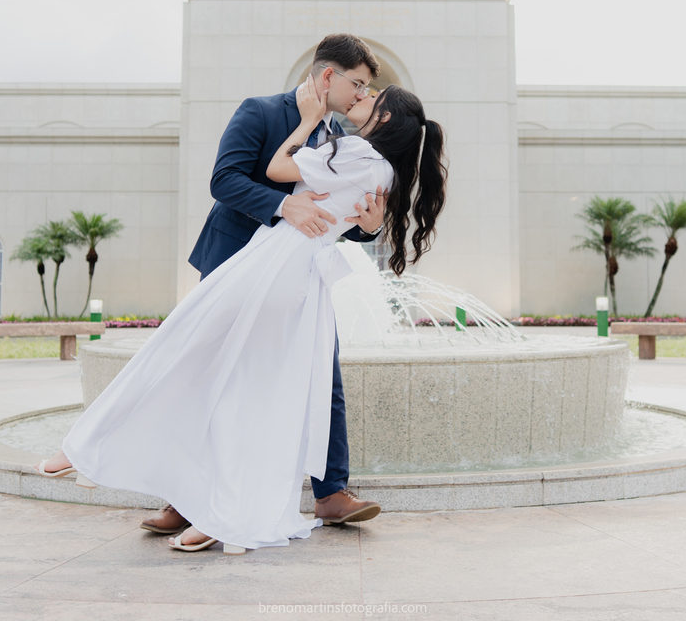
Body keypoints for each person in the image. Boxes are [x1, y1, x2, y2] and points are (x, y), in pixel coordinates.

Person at [31, 76, 447, 554]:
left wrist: (309, 121)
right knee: (248, 393)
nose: (363, 95)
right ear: (331, 75)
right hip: (294, 278)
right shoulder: (382, 169)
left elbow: (276, 168)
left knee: (179, 348)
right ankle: (216, 511)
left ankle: (87, 449)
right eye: (360, 85)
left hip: (272, 267)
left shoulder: (355, 152)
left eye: (372, 95)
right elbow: (292, 197)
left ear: (386, 117)